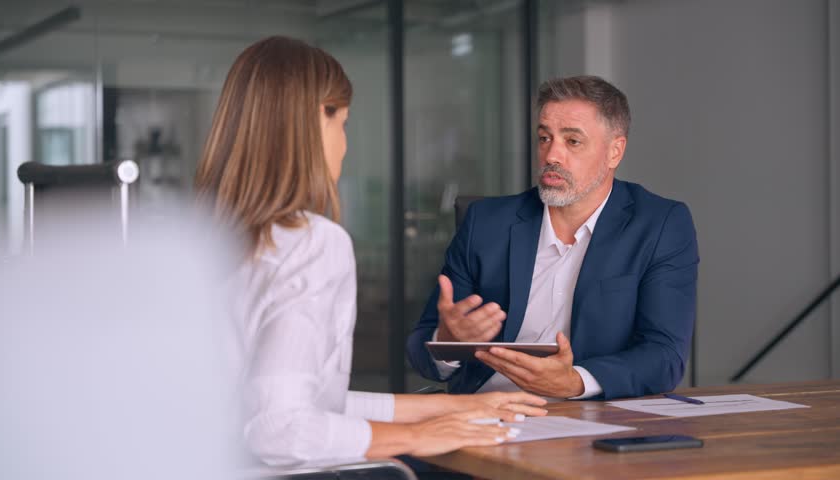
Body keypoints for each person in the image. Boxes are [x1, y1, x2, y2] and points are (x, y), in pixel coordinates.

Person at [193, 36, 548, 471]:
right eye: (342, 123)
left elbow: (292, 398)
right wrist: (418, 437)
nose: (345, 143)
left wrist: (445, 410)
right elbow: (279, 427)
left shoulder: (197, 241)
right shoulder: (310, 243)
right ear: (313, 120)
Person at [406, 75, 699, 401]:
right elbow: (421, 350)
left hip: (594, 416)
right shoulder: (486, 223)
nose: (551, 155)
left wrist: (575, 382)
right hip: (489, 412)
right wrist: (448, 343)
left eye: (572, 141)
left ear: (615, 151)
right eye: (545, 138)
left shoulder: (659, 225)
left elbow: (664, 356)